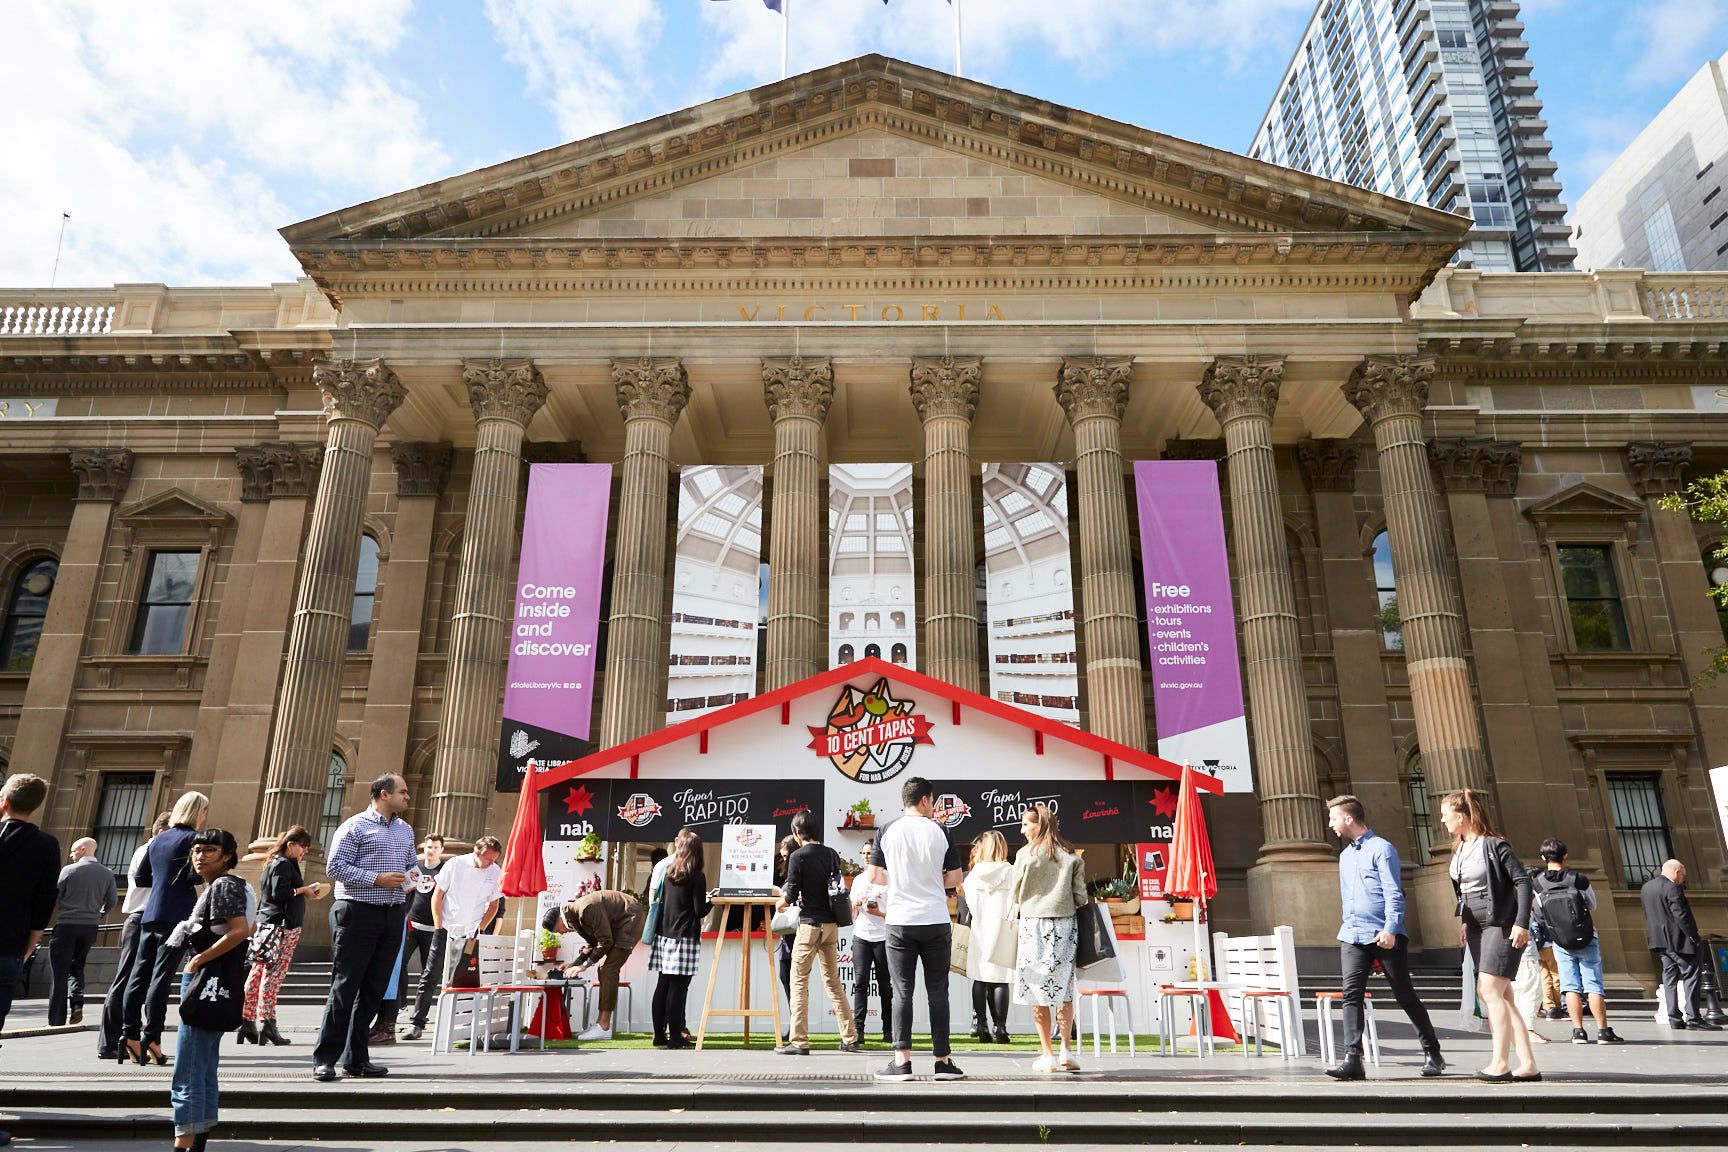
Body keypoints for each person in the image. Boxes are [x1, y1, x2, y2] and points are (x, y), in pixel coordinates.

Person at [1323, 794, 1444, 1080]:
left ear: (1349, 818)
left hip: (1384, 934)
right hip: (1352, 935)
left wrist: (1391, 927)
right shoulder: (1345, 855)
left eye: (1333, 817)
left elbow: (1393, 892)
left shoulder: (1382, 849)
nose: (1331, 824)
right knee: (1351, 994)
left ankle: (1433, 1053)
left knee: (1404, 994)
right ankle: (1353, 1058)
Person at [312, 773, 415, 1083]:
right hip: (357, 911)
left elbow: (411, 865)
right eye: (403, 792)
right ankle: (325, 1058)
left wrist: (416, 879)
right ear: (384, 794)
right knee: (345, 987)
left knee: (373, 991)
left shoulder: (405, 830)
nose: (407, 797)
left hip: (392, 913)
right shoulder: (355, 826)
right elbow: (335, 867)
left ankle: (357, 1058)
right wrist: (376, 878)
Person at [866, 775, 965, 1082]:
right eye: (932, 801)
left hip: (899, 920)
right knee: (938, 990)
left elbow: (873, 875)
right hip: (935, 918)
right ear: (924, 800)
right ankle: (942, 1061)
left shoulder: (886, 829)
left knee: (902, 991)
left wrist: (898, 881)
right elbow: (956, 878)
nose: (934, 807)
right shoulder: (940, 830)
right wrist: (934, 882)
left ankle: (902, 1062)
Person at [1440, 788, 1539, 1082]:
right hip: (1476, 925)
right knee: (1504, 996)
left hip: (1501, 922)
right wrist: (1465, 923)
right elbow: (1463, 890)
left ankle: (1500, 1062)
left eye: (1446, 815)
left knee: (1489, 991)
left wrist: (1521, 923)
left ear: (1461, 816)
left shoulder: (1495, 846)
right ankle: (1528, 1063)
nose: (1443, 821)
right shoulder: (1459, 849)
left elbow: (1522, 882)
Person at [166, 828, 253, 1151]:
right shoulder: (236, 886)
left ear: (227, 856)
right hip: (218, 982)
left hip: (207, 981)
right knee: (202, 1064)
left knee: (188, 1066)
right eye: (197, 850)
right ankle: (197, 1135)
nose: (200, 856)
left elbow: (240, 930)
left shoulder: (224, 886)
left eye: (210, 850)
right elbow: (249, 926)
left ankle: (184, 1141)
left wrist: (198, 959)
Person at [123, 790, 209, 1067]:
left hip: (151, 913)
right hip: (178, 916)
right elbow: (197, 875)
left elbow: (140, 877)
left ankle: (129, 1034)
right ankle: (153, 1039)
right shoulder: (193, 839)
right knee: (161, 977)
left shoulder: (159, 838)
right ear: (198, 813)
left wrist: (164, 880)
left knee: (139, 975)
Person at [1008, 804, 1087, 1074]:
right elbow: (1081, 897)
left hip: (1033, 927)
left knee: (1037, 990)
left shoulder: (1024, 855)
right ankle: (1066, 1048)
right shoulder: (1071, 856)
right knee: (1064, 990)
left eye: (1025, 825)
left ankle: (1047, 1054)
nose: (1022, 830)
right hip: (1065, 926)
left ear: (1038, 824)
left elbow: (1015, 893)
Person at [776, 810, 861, 1055]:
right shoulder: (832, 854)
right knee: (834, 982)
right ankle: (850, 1037)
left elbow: (790, 895)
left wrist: (779, 901)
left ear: (796, 833)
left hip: (809, 926)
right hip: (831, 926)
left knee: (799, 981)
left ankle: (799, 1041)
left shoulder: (797, 857)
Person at [1528, 838, 1623, 1045]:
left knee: (1570, 986)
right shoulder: (1578, 879)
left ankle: (1578, 1031)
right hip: (1586, 936)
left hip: (1560, 939)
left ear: (1544, 858)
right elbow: (1593, 904)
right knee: (1593, 984)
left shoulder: (1538, 883)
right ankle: (1603, 1031)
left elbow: (1540, 911)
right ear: (1566, 855)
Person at [241, 826, 326, 1046]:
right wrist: (303, 890)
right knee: (273, 974)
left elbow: (270, 896)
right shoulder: (285, 864)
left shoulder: (273, 862)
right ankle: (267, 1022)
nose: (304, 852)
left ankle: (248, 1021)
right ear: (291, 844)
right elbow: (280, 894)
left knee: (258, 972)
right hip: (282, 926)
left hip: (268, 924)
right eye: (303, 847)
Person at [99, 812, 170, 1060]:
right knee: (129, 979)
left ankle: (117, 1039)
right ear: (162, 833)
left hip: (141, 918)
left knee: (131, 979)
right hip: (142, 918)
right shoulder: (152, 851)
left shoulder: (147, 850)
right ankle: (112, 1040)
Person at [543, 888, 645, 1040]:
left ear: (559, 920)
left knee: (608, 969)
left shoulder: (585, 909)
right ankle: (600, 1024)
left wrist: (584, 966)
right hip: (620, 922)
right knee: (603, 969)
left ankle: (604, 1026)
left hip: (631, 918)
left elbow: (605, 941)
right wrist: (574, 964)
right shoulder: (574, 916)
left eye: (557, 930)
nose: (560, 933)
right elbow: (593, 943)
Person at [1641, 858, 1721, 1030]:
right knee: (1691, 976)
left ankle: (1674, 1018)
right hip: (1679, 941)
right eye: (1683, 876)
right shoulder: (1672, 888)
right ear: (1677, 872)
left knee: (1669, 978)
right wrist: (1694, 936)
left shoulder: (1647, 887)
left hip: (1660, 941)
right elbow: (1681, 915)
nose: (1683, 880)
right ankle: (1693, 1017)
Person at [649, 828, 709, 1049]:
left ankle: (658, 1034)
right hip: (685, 936)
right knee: (678, 988)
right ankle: (675, 1036)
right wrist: (713, 898)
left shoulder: (669, 872)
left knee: (663, 985)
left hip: (665, 935)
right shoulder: (697, 876)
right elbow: (699, 910)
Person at [49, 836, 116, 1027]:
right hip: (90, 927)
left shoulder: (69, 871)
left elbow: (57, 895)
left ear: (84, 849)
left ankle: (56, 1019)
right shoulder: (106, 874)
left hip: (67, 925)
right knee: (77, 965)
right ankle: (77, 1002)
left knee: (59, 971)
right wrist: (99, 915)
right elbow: (111, 900)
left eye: (73, 850)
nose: (71, 855)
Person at [962, 830, 1014, 1044]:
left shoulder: (974, 874)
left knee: (980, 976)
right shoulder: (1011, 872)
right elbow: (1016, 902)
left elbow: (970, 904)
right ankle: (1000, 1027)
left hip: (980, 928)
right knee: (1001, 979)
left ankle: (981, 1024)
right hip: (1002, 928)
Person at [432, 835, 504, 989]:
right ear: (477, 853)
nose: (492, 863)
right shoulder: (456, 863)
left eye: (494, 859)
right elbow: (437, 896)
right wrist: (438, 927)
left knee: (464, 974)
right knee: (432, 973)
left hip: (471, 934)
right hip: (446, 926)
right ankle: (419, 1014)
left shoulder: (495, 870)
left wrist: (481, 929)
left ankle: (460, 1011)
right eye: (489, 859)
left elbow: (493, 905)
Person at [396, 835, 446, 1041]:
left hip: (433, 929)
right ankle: (401, 1007)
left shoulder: (444, 870)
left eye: (435, 847)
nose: (431, 850)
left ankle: (420, 1018)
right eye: (428, 847)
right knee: (398, 964)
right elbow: (404, 891)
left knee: (429, 973)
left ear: (441, 849)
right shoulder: (416, 867)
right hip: (412, 925)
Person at [849, 838, 892, 1046]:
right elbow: (852, 915)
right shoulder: (858, 880)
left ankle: (889, 1030)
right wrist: (856, 905)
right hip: (862, 937)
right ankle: (858, 1030)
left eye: (870, 853)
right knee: (860, 984)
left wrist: (880, 912)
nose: (867, 856)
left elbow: (895, 913)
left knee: (886, 986)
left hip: (883, 938)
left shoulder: (891, 879)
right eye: (864, 853)